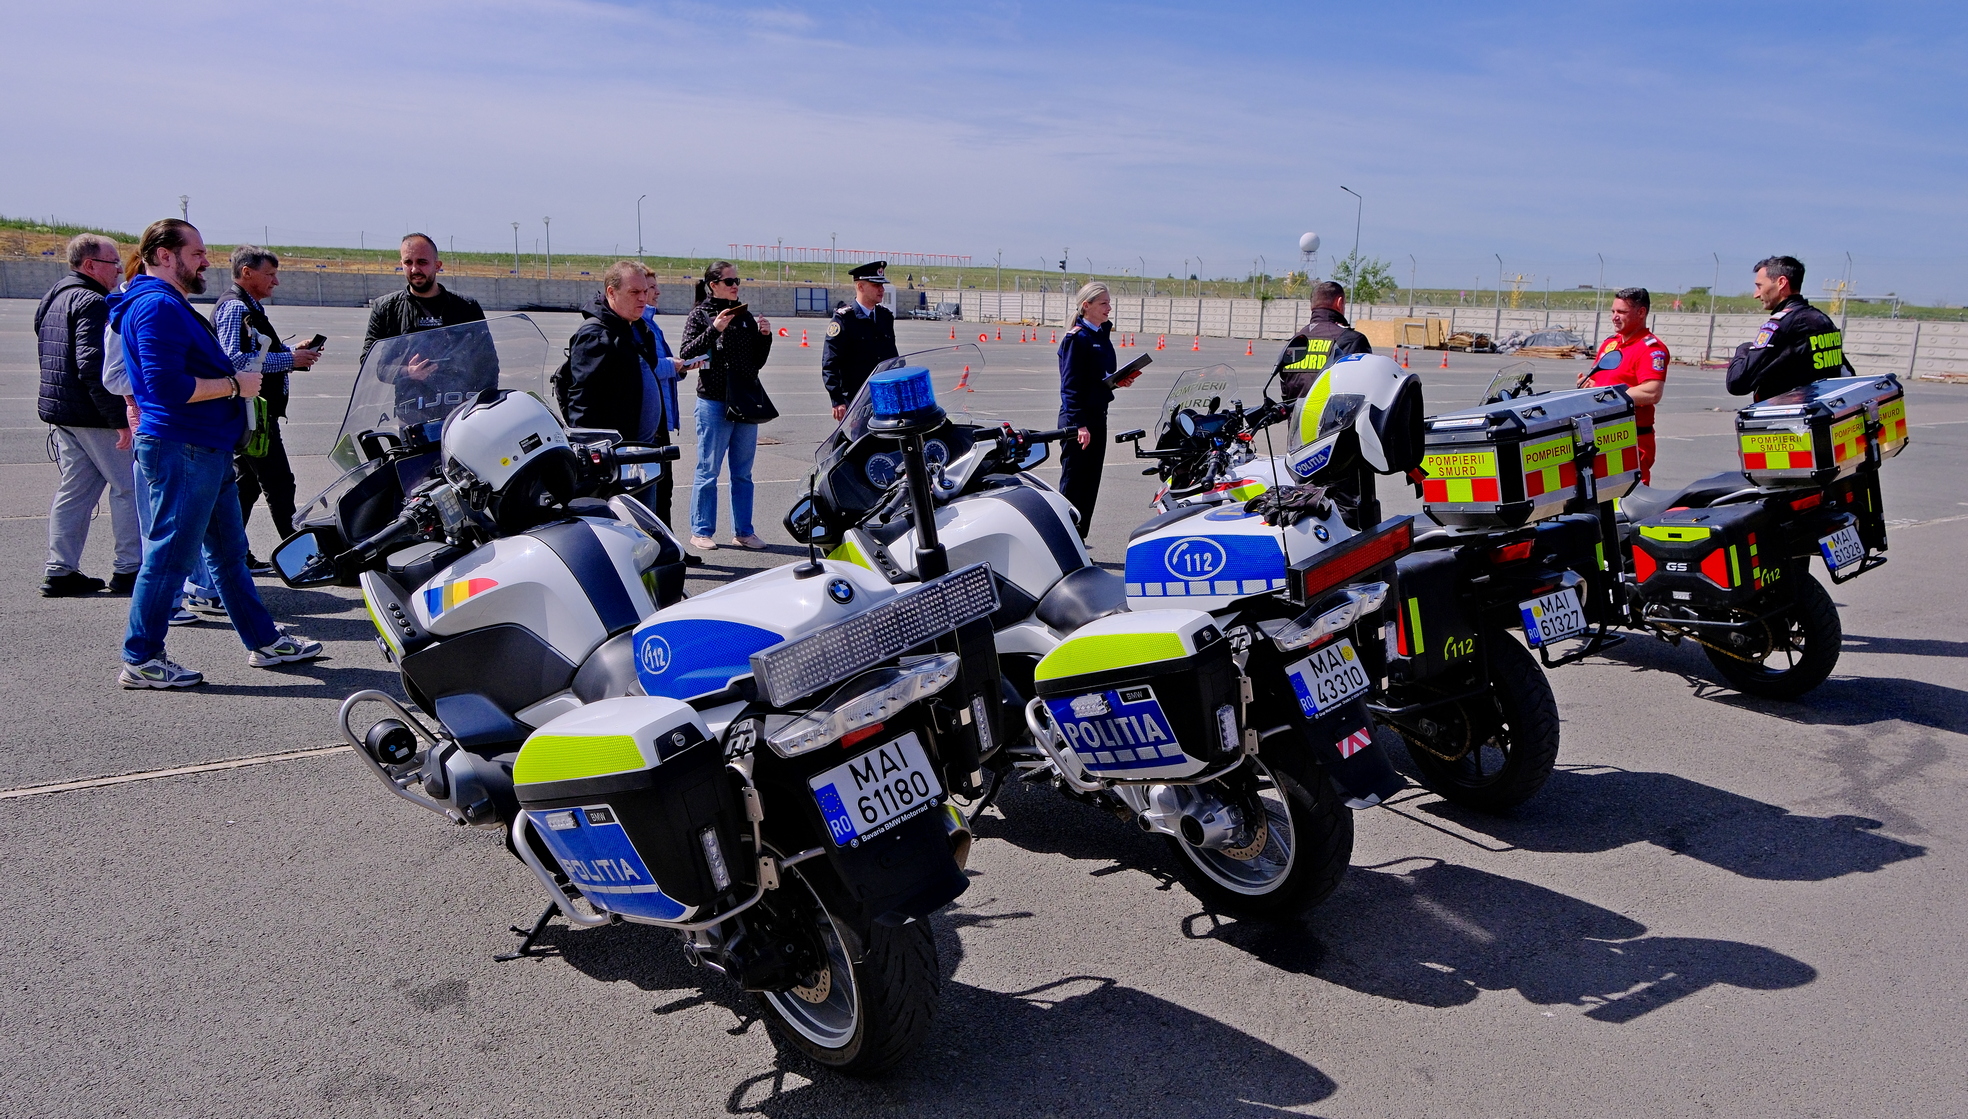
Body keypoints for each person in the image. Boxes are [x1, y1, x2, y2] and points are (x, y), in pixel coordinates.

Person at [108, 219, 322, 688]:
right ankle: (141, 657)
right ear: (165, 255)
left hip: (206, 448)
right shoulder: (157, 308)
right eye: (197, 252)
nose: (206, 261)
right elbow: (165, 387)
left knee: (228, 555)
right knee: (169, 557)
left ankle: (264, 642)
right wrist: (233, 385)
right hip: (183, 448)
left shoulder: (166, 304)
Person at [37, 233, 141, 596]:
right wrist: (119, 420)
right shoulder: (94, 302)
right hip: (94, 414)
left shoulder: (55, 296)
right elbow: (93, 366)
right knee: (128, 487)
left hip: (63, 412)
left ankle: (60, 570)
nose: (118, 270)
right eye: (113, 263)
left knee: (76, 490)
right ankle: (130, 568)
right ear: (89, 265)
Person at [212, 246, 321, 568]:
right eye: (269, 275)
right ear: (247, 272)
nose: (275, 282)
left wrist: (289, 350)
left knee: (246, 486)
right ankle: (302, 560)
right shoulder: (235, 308)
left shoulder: (248, 306)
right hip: (250, 414)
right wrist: (289, 359)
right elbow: (233, 360)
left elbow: (253, 351)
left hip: (254, 412)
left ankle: (232, 552)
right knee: (279, 485)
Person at [566, 261, 679, 527]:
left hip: (643, 453)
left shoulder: (637, 327)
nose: (643, 298)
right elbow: (581, 401)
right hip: (617, 458)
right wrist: (593, 455)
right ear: (611, 292)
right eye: (634, 292)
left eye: (644, 291)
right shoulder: (596, 336)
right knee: (624, 531)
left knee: (647, 527)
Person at [679, 261, 773, 552]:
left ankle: (744, 531)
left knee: (743, 473)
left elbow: (753, 364)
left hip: (743, 400)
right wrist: (715, 329)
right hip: (714, 400)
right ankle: (701, 530)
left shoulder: (743, 317)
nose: (735, 286)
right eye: (729, 281)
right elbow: (685, 353)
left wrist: (765, 339)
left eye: (737, 281)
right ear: (713, 285)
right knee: (708, 469)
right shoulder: (702, 315)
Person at [1056, 281, 1141, 543]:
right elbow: (1069, 387)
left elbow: (1100, 377)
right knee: (1074, 485)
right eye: (1103, 303)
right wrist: (1079, 424)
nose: (1109, 308)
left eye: (1109, 302)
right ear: (1087, 306)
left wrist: (1119, 380)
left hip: (1097, 417)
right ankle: (1063, 543)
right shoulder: (1076, 338)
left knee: (1090, 484)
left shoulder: (1100, 336)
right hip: (1078, 421)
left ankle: (1079, 542)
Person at [1726, 255, 1852, 401]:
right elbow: (1846, 374)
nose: (1756, 294)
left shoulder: (1783, 325)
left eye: (1759, 286)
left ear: (1781, 283)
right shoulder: (1822, 320)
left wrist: (1743, 349)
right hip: (1822, 413)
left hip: (1787, 419)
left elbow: (1737, 382)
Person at [1580, 287, 1668, 484]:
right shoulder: (1610, 344)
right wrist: (1588, 385)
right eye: (1613, 312)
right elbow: (1600, 381)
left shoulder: (1651, 349)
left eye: (1622, 312)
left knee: (1628, 499)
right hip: (1600, 436)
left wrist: (1608, 395)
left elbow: (1652, 391)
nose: (1614, 317)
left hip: (1630, 439)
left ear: (1641, 312)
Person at [360, 233, 486, 361]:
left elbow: (486, 360)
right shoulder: (385, 308)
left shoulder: (467, 307)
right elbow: (368, 360)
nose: (414, 269)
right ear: (402, 264)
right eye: (408, 262)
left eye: (422, 262)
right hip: (404, 382)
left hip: (456, 381)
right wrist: (405, 372)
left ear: (437, 266)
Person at [820, 260, 899, 420]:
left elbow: (892, 357)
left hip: (884, 397)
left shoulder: (885, 317)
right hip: (856, 401)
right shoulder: (844, 319)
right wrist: (837, 400)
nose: (881, 289)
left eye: (882, 285)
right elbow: (830, 363)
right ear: (861, 287)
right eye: (876, 285)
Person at [1280, 281, 1371, 401]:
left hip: (1297, 419)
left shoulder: (1294, 342)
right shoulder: (1352, 340)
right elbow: (1364, 391)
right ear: (1339, 303)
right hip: (1332, 419)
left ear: (1311, 306)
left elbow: (1286, 394)